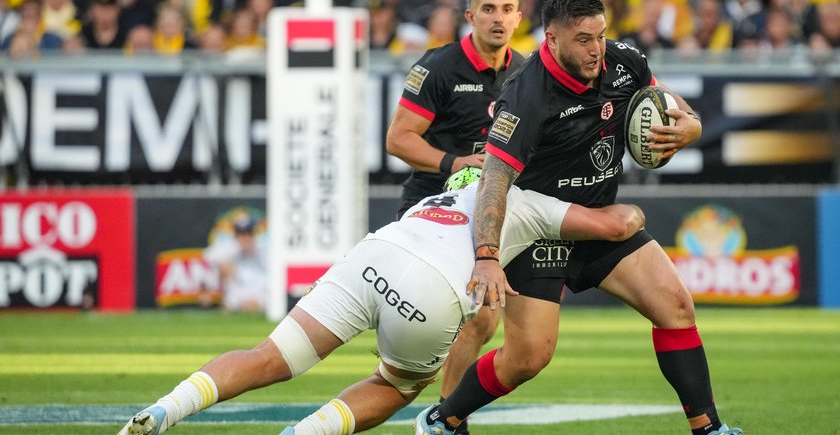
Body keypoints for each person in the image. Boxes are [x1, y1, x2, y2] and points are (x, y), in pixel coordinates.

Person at [415, 0, 743, 435]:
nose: (596, 51)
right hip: (538, 234)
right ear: (552, 39)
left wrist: (691, 125)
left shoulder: (623, 61)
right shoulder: (526, 94)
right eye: (583, 40)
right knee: (529, 357)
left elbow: (666, 101)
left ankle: (709, 429)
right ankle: (443, 419)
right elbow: (494, 180)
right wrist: (488, 254)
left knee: (676, 307)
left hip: (599, 222)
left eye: (601, 36)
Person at [117, 167, 646, 435]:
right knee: (395, 385)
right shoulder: (528, 196)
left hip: (378, 252)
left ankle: (166, 409)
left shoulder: (447, 190)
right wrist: (637, 212)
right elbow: (616, 223)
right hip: (433, 287)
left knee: (270, 356)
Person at [385, 0, 525, 432]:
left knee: (484, 316)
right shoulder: (439, 67)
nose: (498, 18)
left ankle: (447, 416)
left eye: (507, 9)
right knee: (432, 328)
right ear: (470, 17)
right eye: (488, 9)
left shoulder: (526, 74)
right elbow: (399, 138)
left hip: (489, 211)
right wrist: (458, 161)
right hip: (433, 206)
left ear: (519, 17)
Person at [203, 213, 268, 312]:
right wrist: (238, 248)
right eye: (241, 234)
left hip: (260, 289)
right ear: (236, 235)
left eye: (248, 233)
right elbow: (208, 256)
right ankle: (217, 302)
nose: (245, 237)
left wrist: (252, 249)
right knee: (224, 265)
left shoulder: (262, 246)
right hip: (238, 288)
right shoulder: (230, 247)